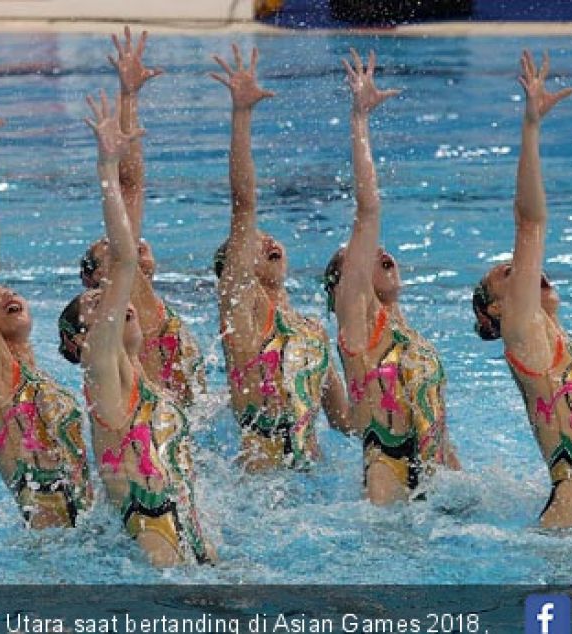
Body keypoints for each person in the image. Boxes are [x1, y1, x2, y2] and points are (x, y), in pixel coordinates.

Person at [471, 51, 572, 528]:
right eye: (508, 274)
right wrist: (532, 127)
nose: (522, 272)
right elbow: (530, 222)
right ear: (498, 310)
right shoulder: (524, 337)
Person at [58, 92, 214, 566]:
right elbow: (124, 259)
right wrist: (106, 167)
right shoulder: (103, 372)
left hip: (185, 529)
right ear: (83, 340)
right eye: (98, 304)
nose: (113, 304)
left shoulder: (148, 388)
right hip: (151, 536)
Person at [0, 78, 93, 528]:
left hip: (87, 532)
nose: (6, 293)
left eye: (9, 290)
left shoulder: (38, 376)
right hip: (51, 540)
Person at [324, 49, 461, 505]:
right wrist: (359, 120)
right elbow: (368, 211)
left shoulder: (409, 338)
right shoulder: (359, 324)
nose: (379, 252)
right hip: (389, 501)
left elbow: (437, 429)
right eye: (357, 258)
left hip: (438, 495)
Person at [209, 44, 349, 472]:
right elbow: (243, 204)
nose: (267, 240)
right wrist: (242, 116)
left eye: (270, 237)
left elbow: (345, 420)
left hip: (312, 480)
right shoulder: (244, 313)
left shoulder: (312, 333)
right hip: (260, 482)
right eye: (253, 240)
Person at [79, 28, 207, 407]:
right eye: (110, 245)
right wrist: (127, 96)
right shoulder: (119, 299)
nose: (128, 241)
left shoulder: (153, 305)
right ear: (94, 278)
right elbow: (130, 186)